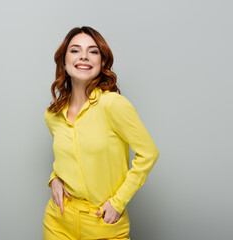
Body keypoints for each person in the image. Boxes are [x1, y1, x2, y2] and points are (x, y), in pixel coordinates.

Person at [42, 26, 160, 240]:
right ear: (64, 63)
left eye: (93, 51)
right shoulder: (53, 114)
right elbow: (69, 158)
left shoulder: (113, 105)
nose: (84, 56)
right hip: (58, 220)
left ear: (102, 62)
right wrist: (54, 178)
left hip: (102, 222)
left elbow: (149, 153)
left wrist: (118, 202)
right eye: (75, 50)